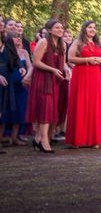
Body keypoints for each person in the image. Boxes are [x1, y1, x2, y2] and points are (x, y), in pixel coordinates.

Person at [25, 19, 67, 153]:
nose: (60, 30)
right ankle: (44, 140)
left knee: (50, 109)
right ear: (49, 30)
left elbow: (63, 63)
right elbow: (36, 62)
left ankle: (37, 138)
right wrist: (53, 70)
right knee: (45, 109)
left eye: (61, 28)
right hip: (42, 79)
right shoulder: (43, 42)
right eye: (57, 28)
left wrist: (67, 70)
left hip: (54, 80)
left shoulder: (63, 44)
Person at [66, 21, 101, 148]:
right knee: (80, 104)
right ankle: (77, 139)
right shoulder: (78, 42)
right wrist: (87, 60)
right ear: (84, 29)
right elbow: (70, 58)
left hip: (95, 76)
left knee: (95, 105)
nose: (92, 29)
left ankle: (94, 139)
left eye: (94, 27)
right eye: (90, 27)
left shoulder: (98, 44)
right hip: (81, 76)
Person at [2, 32, 32, 146]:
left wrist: (27, 77)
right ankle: (3, 137)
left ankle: (15, 137)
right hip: (8, 86)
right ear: (9, 39)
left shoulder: (24, 52)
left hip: (22, 85)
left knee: (20, 110)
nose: (19, 39)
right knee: (6, 112)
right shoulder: (5, 51)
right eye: (15, 37)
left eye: (20, 37)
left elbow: (29, 67)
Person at [0, 31, 22, 151]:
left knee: (2, 111)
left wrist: (21, 67)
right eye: (15, 37)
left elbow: (15, 58)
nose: (18, 39)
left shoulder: (8, 45)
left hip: (6, 79)